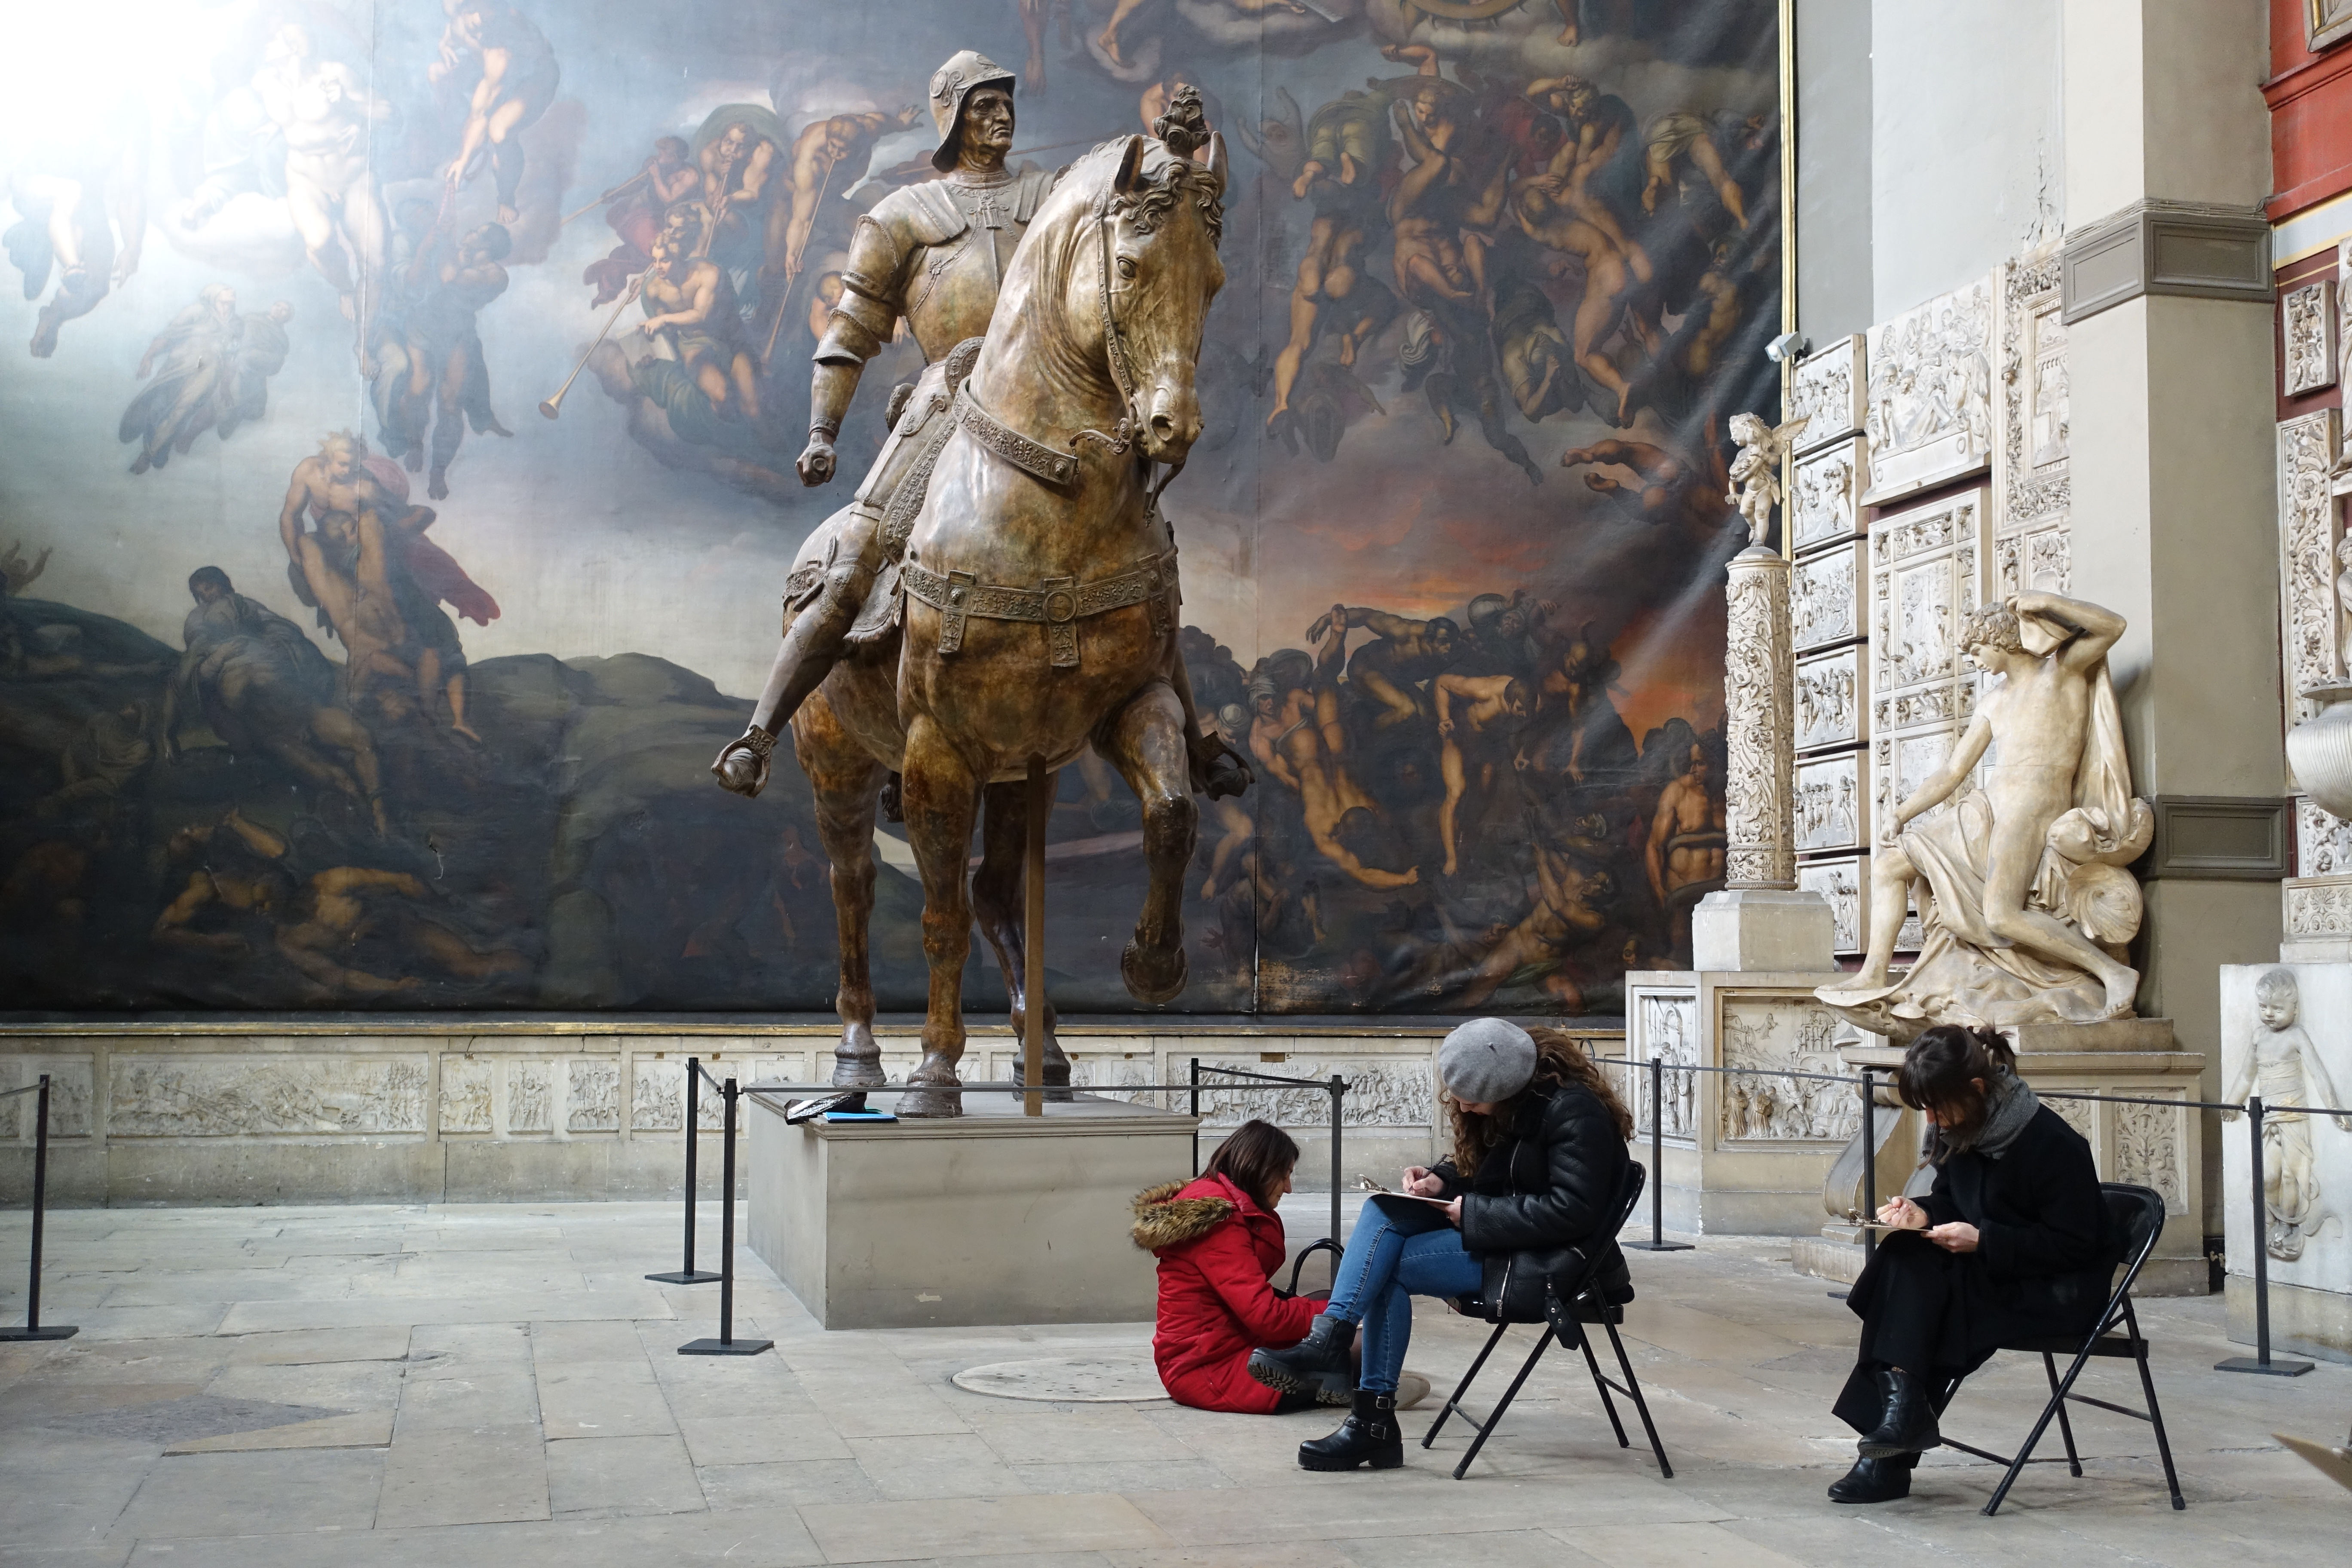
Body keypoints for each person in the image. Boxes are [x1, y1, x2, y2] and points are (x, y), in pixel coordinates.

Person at [1246, 1020, 1632, 1471]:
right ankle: (1335, 1346)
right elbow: (1495, 1170)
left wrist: (1474, 1215)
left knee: (1383, 1268)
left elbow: (1573, 1212)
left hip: (1553, 1264)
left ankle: (1368, 1420)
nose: (1462, 1104)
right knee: (1382, 1212)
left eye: (1471, 1096)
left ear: (1505, 1086)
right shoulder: (1519, 1104)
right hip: (1514, 1243)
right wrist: (1439, 1179)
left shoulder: (1574, 1113)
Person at [1828, 1024, 2115, 1505]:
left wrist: (1985, 1242)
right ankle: (1903, 1413)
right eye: (1927, 1111)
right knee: (1905, 1251)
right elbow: (1953, 1202)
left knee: (1929, 1308)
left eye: (1939, 1107)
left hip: (2057, 1288)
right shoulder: (1960, 1128)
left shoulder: (2052, 1143)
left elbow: (2078, 1246)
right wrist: (1923, 1215)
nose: (1935, 1121)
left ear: (1977, 1089)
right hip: (1996, 1269)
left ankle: (1888, 1455)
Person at [1131, 1120, 1341, 1414]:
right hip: (1207, 1368)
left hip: (1226, 1347)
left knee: (1328, 1310)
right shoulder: (1219, 1219)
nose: (1289, 1189)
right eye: (1285, 1176)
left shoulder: (1225, 1205)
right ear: (1260, 1168)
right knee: (1340, 1326)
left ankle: (1352, 1379)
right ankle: (1361, 1386)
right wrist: (1341, 1313)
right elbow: (1265, 1316)